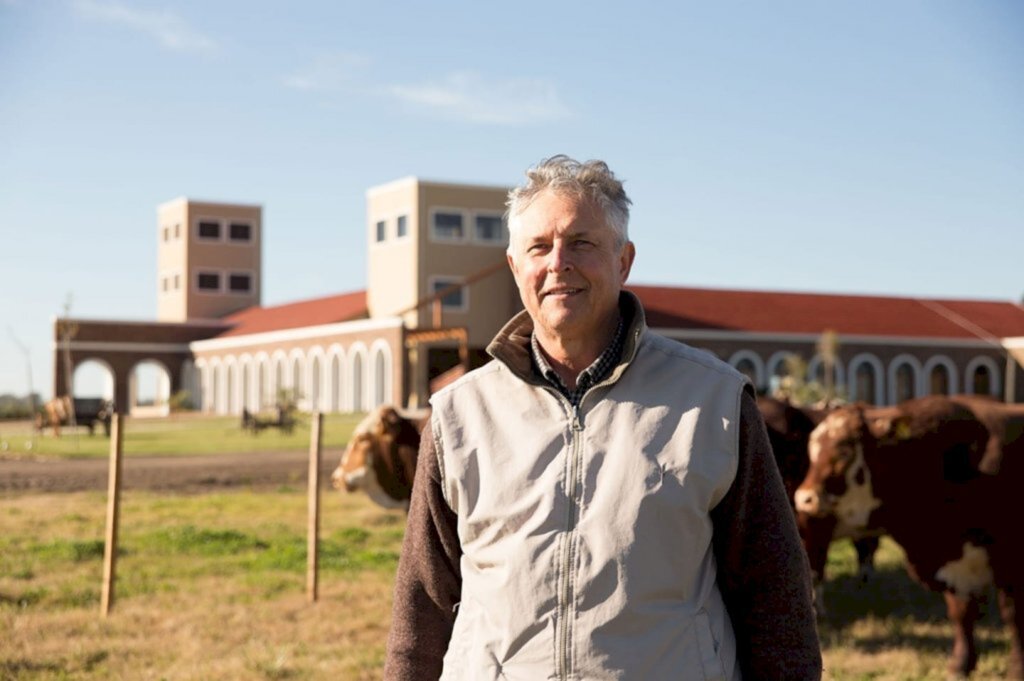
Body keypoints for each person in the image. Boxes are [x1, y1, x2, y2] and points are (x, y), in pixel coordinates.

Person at [384, 155, 822, 680]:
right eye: (539, 247)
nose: (558, 263)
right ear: (514, 266)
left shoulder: (713, 402)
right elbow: (423, 601)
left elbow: (773, 591)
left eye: (582, 243)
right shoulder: (459, 414)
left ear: (624, 260)